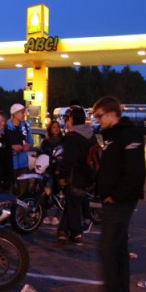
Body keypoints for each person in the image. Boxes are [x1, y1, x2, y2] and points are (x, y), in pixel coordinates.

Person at [80, 96, 146, 292]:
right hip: (113, 199)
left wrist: (115, 196)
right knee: (118, 247)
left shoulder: (129, 134)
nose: (97, 120)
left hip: (121, 201)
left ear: (111, 114)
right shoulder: (112, 135)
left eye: (99, 116)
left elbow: (136, 173)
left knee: (107, 247)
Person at [55, 105, 94, 245]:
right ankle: (63, 231)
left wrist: (62, 176)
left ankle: (77, 233)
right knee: (73, 203)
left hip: (74, 177)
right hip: (88, 176)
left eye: (69, 117)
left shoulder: (72, 137)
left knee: (72, 205)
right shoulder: (90, 133)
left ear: (72, 118)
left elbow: (68, 160)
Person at [5, 103, 33, 196]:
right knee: (8, 192)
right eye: (22, 112)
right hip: (9, 165)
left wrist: (28, 146)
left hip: (23, 165)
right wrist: (12, 146)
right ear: (15, 113)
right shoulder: (5, 126)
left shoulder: (26, 126)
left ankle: (22, 205)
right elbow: (0, 143)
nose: (24, 114)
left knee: (24, 193)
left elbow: (31, 142)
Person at [40, 120, 63, 225]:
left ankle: (57, 216)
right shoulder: (46, 141)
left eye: (57, 127)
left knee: (59, 194)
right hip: (48, 170)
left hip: (59, 170)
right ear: (50, 129)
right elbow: (42, 154)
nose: (56, 129)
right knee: (47, 192)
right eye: (54, 127)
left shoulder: (63, 140)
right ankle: (45, 215)